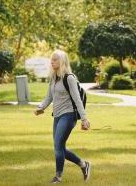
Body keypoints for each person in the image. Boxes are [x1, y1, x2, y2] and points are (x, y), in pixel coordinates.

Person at [34, 50, 92, 184]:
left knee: (58, 146)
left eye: (55, 59)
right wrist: (41, 107)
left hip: (69, 115)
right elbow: (49, 97)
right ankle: (84, 164)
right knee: (59, 147)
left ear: (62, 61)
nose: (52, 62)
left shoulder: (69, 78)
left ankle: (58, 177)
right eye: (51, 59)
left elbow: (77, 99)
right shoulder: (54, 77)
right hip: (58, 116)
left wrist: (84, 118)